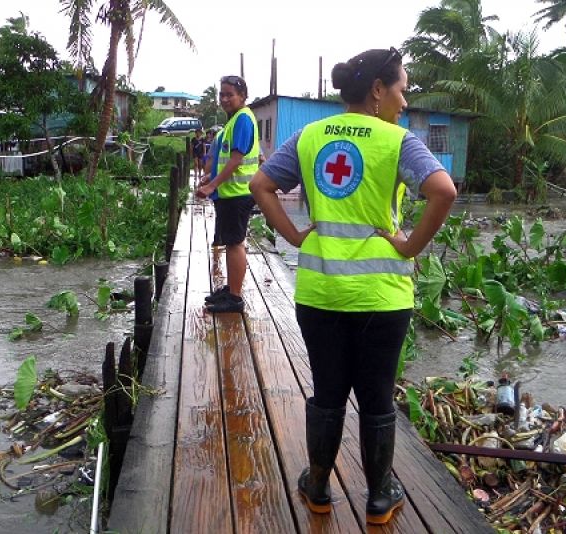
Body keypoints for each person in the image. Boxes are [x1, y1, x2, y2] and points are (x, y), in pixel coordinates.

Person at [249, 48, 456, 525]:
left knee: (327, 392)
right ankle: (379, 497)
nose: (404, 102)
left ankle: (318, 485)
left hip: (320, 294)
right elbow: (443, 191)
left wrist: (294, 235)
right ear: (379, 90)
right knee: (377, 396)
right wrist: (409, 248)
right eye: (402, 90)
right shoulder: (397, 141)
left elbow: (261, 185)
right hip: (381, 298)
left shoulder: (308, 135)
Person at [197, 76, 260, 313]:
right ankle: (231, 288)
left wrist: (212, 186)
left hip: (238, 194)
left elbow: (236, 160)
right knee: (231, 241)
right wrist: (209, 177)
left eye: (229, 94)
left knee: (235, 243)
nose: (224, 99)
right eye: (221, 94)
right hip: (229, 193)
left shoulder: (243, 119)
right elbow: (223, 159)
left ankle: (235, 298)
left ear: (242, 96)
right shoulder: (233, 122)